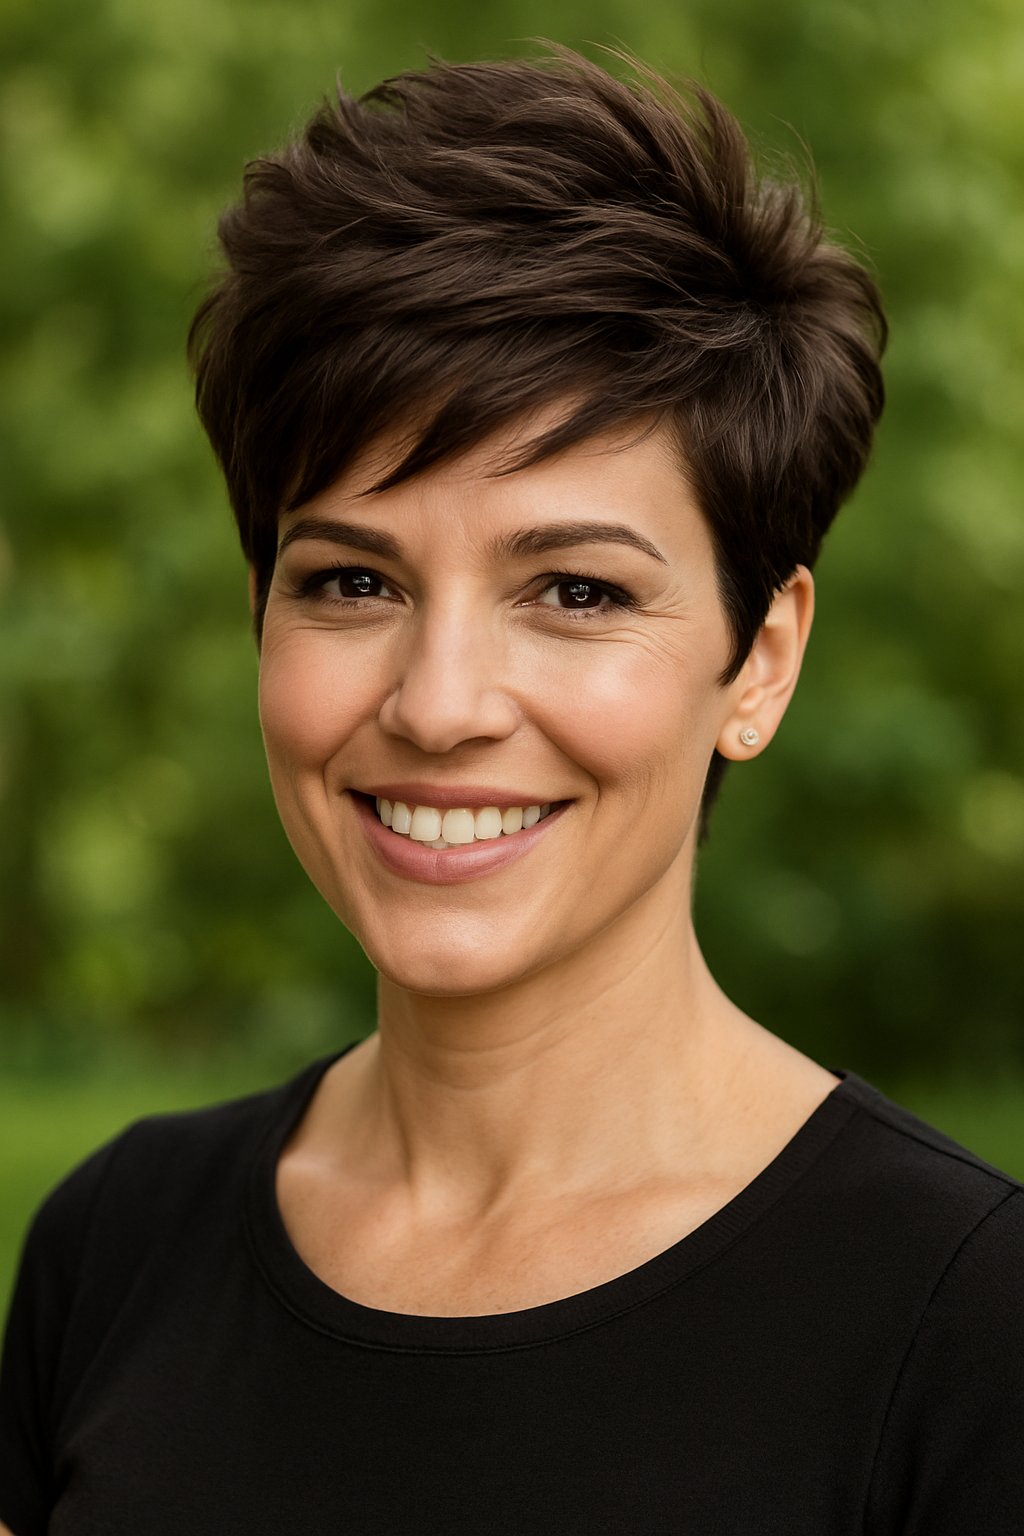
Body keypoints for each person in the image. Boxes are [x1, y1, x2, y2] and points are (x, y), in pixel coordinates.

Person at [1, 46, 1021, 1535]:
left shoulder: (967, 1324)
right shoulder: (116, 1243)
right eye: (352, 580)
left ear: (761, 661)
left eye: (577, 591)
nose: (439, 703)